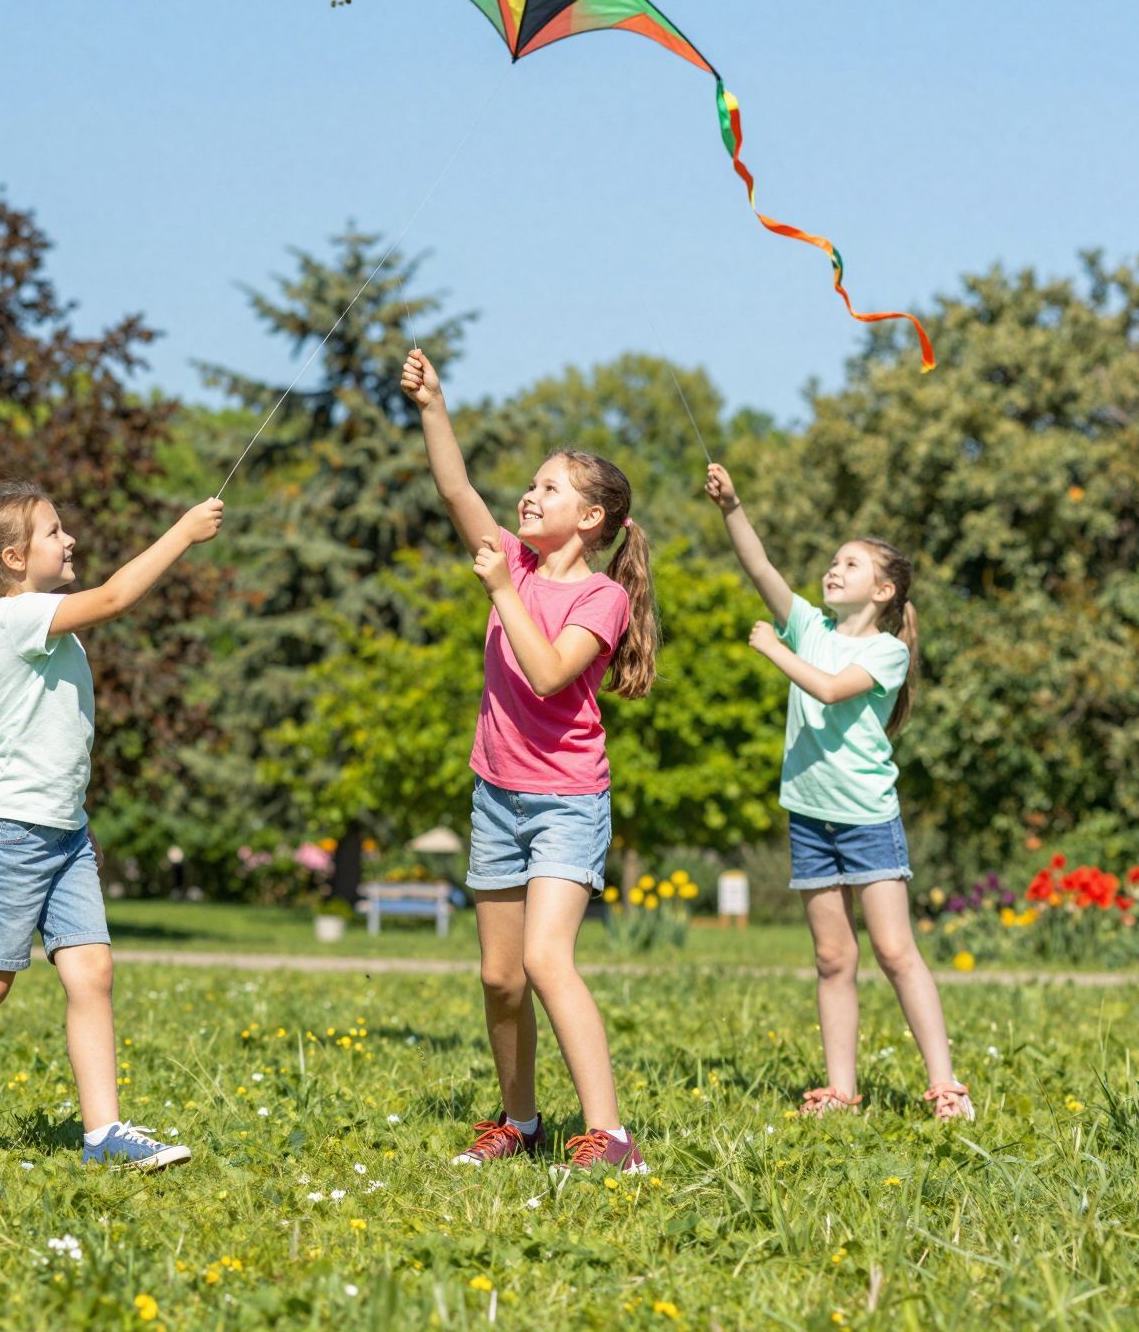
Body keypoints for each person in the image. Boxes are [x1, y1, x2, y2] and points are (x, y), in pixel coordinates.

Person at [0, 483, 223, 1168]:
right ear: (14, 557)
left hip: (62, 833)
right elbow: (118, 597)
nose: (71, 541)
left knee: (92, 971)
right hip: (8, 833)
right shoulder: (15, 616)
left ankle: (103, 1134)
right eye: (55, 531)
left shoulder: (38, 615)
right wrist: (181, 531)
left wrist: (73, 821)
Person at [402, 350, 658, 1174]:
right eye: (534, 484)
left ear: (591, 520)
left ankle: (613, 1137)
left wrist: (503, 594)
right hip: (497, 798)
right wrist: (435, 405)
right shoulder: (511, 557)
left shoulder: (600, 596)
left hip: (566, 802)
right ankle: (521, 1121)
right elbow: (455, 489)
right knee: (500, 978)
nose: (531, 494)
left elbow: (550, 674)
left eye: (552, 487)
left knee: (548, 961)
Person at [706, 462, 971, 1119]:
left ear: (882, 591)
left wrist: (771, 651)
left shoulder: (885, 651)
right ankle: (840, 1089)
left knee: (893, 951)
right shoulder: (811, 627)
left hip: (865, 817)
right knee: (831, 957)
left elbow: (827, 689)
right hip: (811, 817)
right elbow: (761, 567)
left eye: (850, 565)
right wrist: (732, 505)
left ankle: (945, 1087)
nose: (833, 570)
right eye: (833, 562)